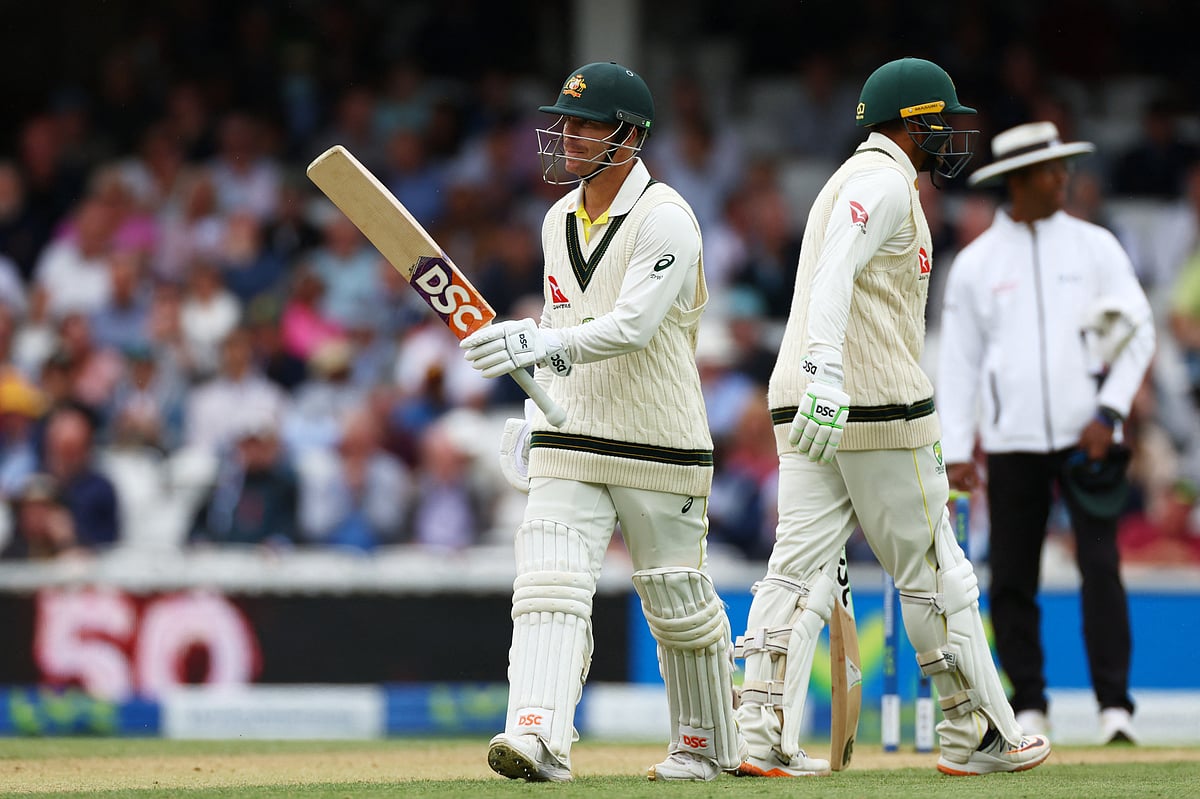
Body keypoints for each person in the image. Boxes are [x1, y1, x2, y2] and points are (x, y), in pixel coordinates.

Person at [734, 57, 1050, 779]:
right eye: (942, 123)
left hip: (811, 404)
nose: (950, 138)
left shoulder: (848, 179)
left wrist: (815, 378)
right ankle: (976, 733)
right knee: (936, 569)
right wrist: (829, 370)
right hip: (872, 405)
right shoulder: (880, 184)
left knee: (794, 570)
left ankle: (759, 731)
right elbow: (835, 274)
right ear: (910, 125)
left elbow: (827, 276)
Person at [459, 61, 743, 782]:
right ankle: (537, 734)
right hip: (572, 434)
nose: (568, 136)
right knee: (548, 580)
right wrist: (533, 404)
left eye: (585, 125)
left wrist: (540, 340)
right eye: (566, 122)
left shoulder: (668, 218)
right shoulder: (558, 219)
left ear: (629, 135)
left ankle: (705, 744)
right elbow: (563, 324)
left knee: (676, 598)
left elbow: (632, 326)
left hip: (660, 439)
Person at [937, 121, 1156, 745]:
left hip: (1086, 438)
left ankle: (1115, 708)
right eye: (1051, 170)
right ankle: (1028, 702)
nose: (1065, 178)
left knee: (1101, 566)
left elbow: (1138, 329)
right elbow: (959, 361)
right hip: (1011, 443)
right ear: (1019, 182)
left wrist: (1109, 411)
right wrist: (956, 447)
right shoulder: (977, 264)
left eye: (1064, 168)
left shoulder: (1096, 247)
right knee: (1011, 575)